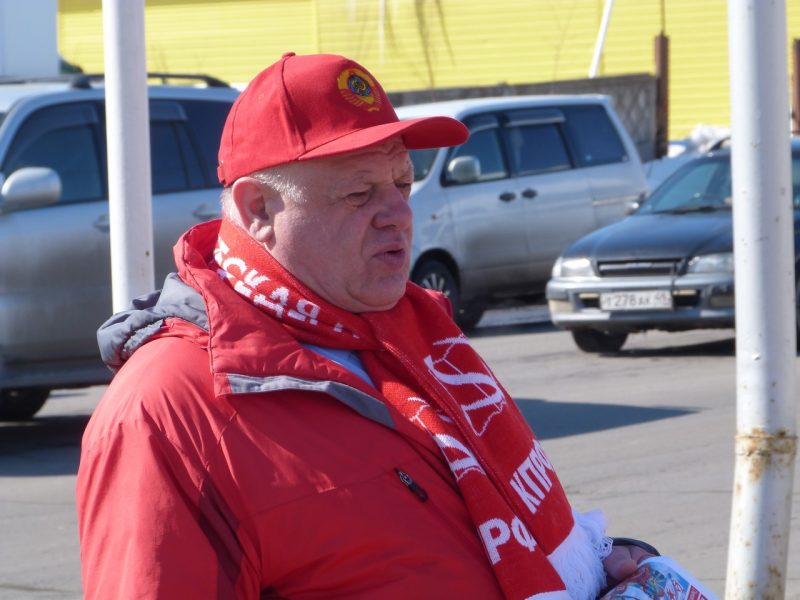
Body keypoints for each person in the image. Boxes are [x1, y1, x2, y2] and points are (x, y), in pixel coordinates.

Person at [76, 52, 653, 599]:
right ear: (258, 209)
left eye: (402, 184)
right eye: (359, 192)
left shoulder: (416, 336)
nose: (399, 214)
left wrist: (592, 564)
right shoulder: (168, 409)